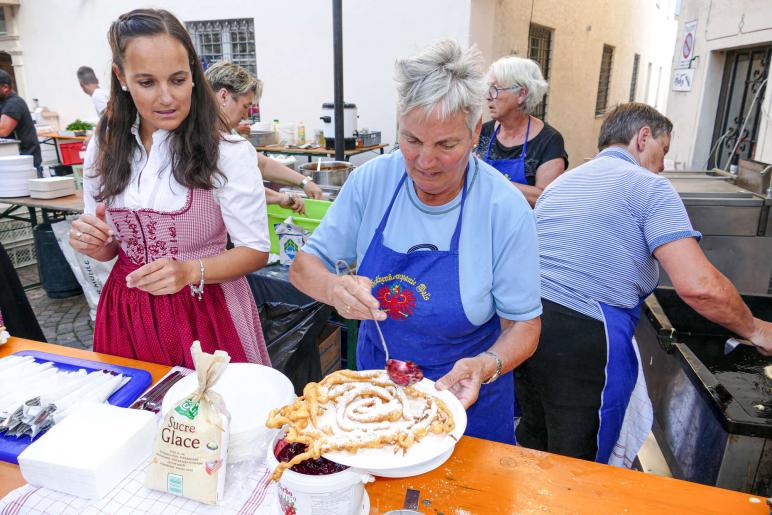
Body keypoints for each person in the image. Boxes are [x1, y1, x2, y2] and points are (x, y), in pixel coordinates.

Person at [289, 40, 542, 444]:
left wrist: (486, 364)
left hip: (467, 407)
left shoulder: (503, 208)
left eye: (446, 145)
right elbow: (304, 267)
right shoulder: (372, 181)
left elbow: (525, 325)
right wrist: (335, 288)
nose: (425, 161)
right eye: (411, 140)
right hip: (376, 400)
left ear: (476, 131)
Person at [517, 102, 772, 467]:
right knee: (578, 465)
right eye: (663, 150)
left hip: (526, 328)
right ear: (642, 137)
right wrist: (756, 328)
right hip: (586, 338)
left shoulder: (563, 184)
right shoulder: (649, 187)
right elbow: (699, 285)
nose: (664, 164)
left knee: (534, 447)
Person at [69, 8, 271, 368]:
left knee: (210, 420)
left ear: (193, 73)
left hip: (205, 313)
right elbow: (108, 246)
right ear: (122, 77)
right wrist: (97, 245)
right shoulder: (106, 143)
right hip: (126, 310)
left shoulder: (226, 151)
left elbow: (255, 251)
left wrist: (190, 271)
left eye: (177, 80)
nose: (166, 98)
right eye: (147, 82)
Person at [204, 61, 324, 214]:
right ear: (223, 96)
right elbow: (240, 189)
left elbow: (261, 163)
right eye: (245, 106)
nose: (246, 115)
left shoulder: (228, 133)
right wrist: (280, 198)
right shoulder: (201, 138)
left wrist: (304, 181)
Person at [475, 56, 567, 207]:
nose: (487, 97)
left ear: (521, 94)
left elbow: (545, 199)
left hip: (523, 226)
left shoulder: (549, 140)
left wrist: (492, 180)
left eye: (494, 90)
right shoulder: (485, 131)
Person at [0, 70, 42, 170]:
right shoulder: (4, 103)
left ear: (5, 87)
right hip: (13, 162)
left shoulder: (14, 103)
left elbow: (3, 131)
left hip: (24, 164)